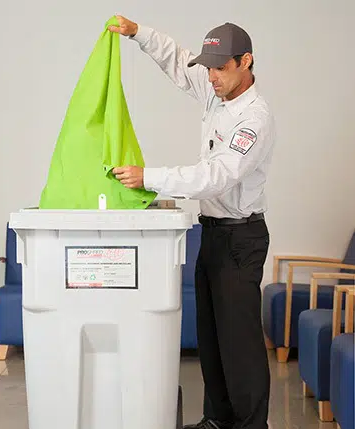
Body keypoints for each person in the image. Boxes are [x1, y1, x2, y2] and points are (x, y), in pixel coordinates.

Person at [109, 16, 275, 429]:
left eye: (220, 67)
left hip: (242, 239)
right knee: (212, 338)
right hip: (214, 234)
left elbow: (216, 176)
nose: (211, 76)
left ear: (246, 61)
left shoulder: (254, 119)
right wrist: (137, 33)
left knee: (241, 345)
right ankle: (216, 420)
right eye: (210, 67)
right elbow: (178, 61)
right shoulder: (217, 91)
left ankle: (253, 426)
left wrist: (149, 177)